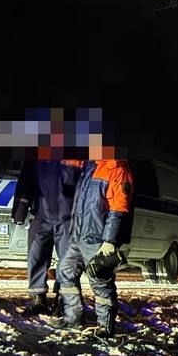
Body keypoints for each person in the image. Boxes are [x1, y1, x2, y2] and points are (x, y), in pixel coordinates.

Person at [54, 133, 133, 337]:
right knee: (65, 272)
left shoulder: (117, 169)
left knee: (101, 282)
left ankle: (105, 327)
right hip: (78, 236)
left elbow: (118, 209)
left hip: (97, 239)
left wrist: (109, 241)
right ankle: (73, 319)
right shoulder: (90, 166)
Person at [13, 154, 83, 315]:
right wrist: (20, 209)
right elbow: (26, 180)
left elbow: (87, 186)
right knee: (35, 256)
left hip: (69, 217)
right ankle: (38, 299)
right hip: (41, 214)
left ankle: (63, 299)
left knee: (68, 261)